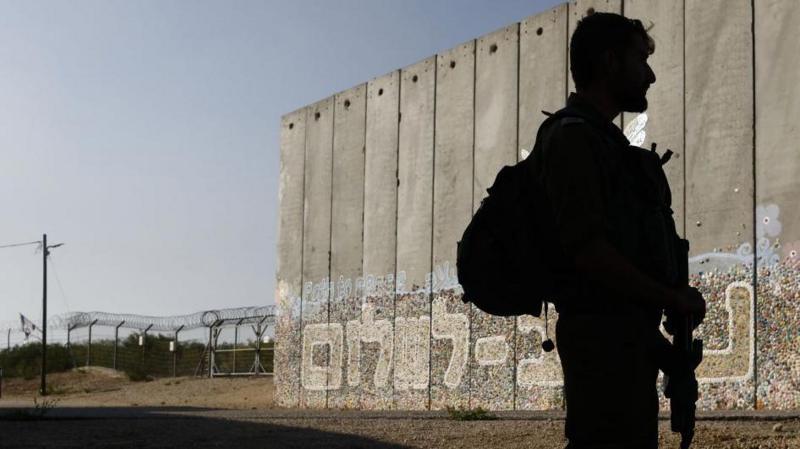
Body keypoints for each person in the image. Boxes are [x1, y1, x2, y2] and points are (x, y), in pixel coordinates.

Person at [528, 12, 707, 449]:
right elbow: (588, 253)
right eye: (640, 60)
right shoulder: (572, 140)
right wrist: (669, 297)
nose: (650, 75)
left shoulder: (604, 144)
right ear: (610, 62)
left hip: (623, 338)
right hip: (599, 344)